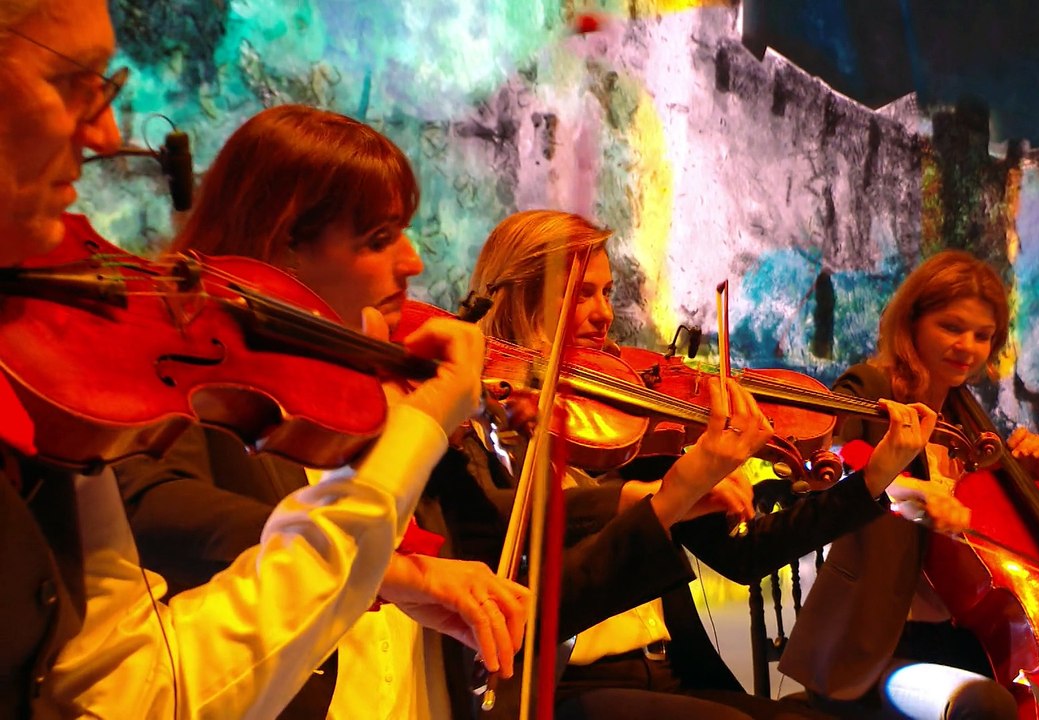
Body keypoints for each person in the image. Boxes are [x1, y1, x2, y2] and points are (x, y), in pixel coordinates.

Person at [116, 104, 764, 719]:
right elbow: (151, 505)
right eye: (379, 238)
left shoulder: (386, 393)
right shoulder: (199, 387)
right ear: (285, 244)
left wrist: (638, 497)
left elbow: (487, 541)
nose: (414, 262)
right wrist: (389, 570)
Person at [0, 3, 495, 718]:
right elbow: (140, 684)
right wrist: (390, 499)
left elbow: (128, 670)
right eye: (69, 81)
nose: (108, 134)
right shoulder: (155, 394)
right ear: (283, 240)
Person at [464, 209, 970, 720]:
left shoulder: (631, 419)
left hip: (665, 673)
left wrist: (872, 480)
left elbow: (746, 555)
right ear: (522, 295)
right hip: (559, 685)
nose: (603, 314)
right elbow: (508, 522)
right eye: (580, 294)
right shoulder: (482, 425)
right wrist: (645, 499)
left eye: (607, 293)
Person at [779, 250, 1039, 719]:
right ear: (913, 322)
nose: (967, 346)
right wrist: (913, 497)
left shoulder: (970, 422)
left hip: (965, 642)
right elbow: (837, 466)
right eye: (952, 327)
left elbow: (997, 540)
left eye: (983, 336)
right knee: (985, 707)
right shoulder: (870, 387)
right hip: (876, 646)